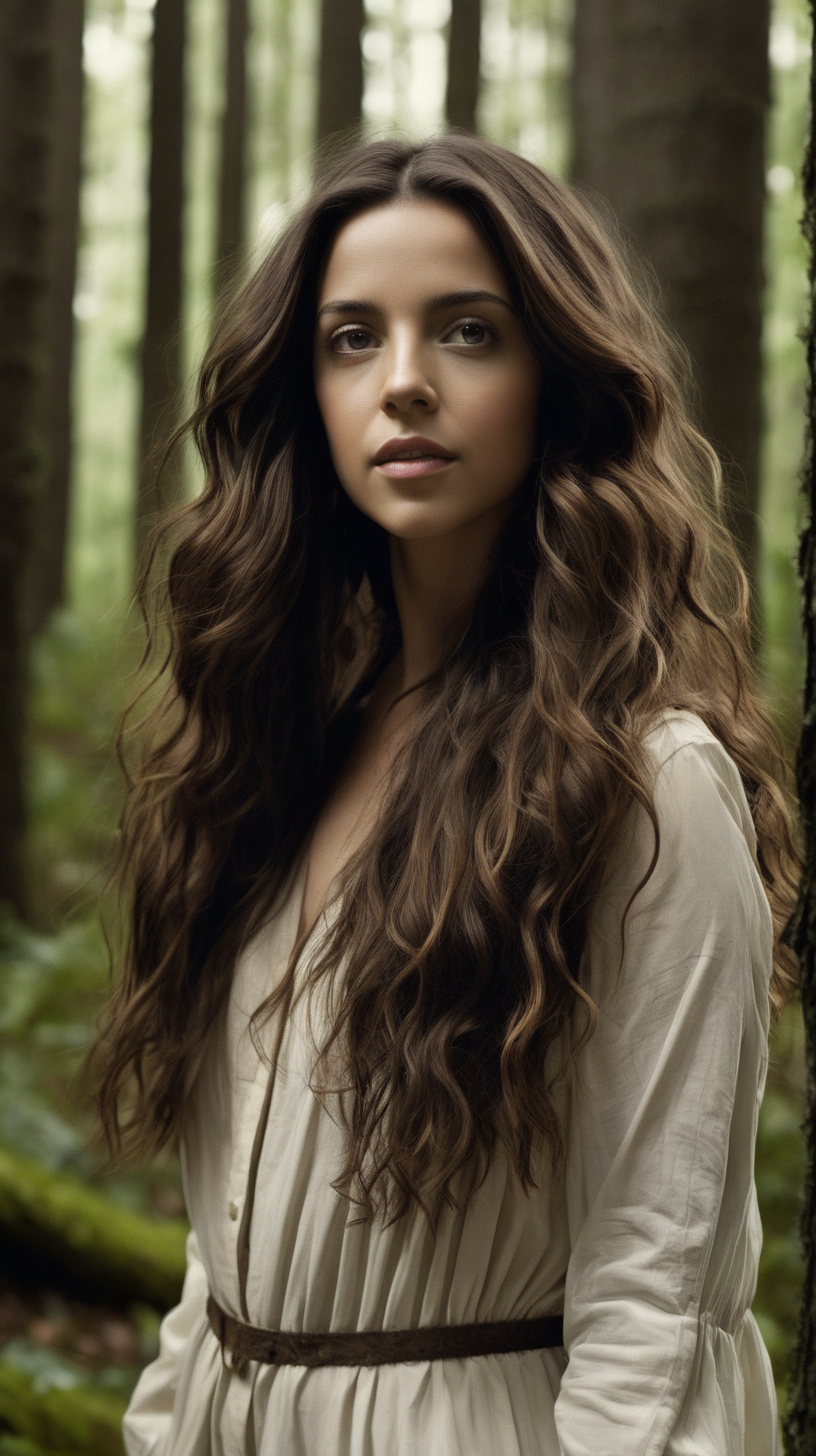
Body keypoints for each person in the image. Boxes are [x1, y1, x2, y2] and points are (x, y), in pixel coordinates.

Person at [95, 134, 799, 1456]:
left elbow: (657, 1294)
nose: (403, 383)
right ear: (304, 392)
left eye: (468, 332)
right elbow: (226, 1252)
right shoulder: (276, 754)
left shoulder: (651, 786)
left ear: (556, 381)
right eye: (352, 339)